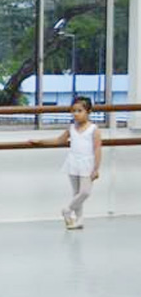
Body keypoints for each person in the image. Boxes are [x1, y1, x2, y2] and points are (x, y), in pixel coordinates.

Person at [31, 96, 102, 230]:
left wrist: (96, 169)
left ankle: (67, 210)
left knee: (85, 192)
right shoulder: (71, 128)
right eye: (73, 111)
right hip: (73, 162)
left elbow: (97, 149)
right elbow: (59, 140)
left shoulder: (94, 129)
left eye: (79, 111)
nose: (76, 114)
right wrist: (40, 141)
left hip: (87, 163)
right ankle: (79, 220)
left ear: (88, 112)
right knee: (76, 193)